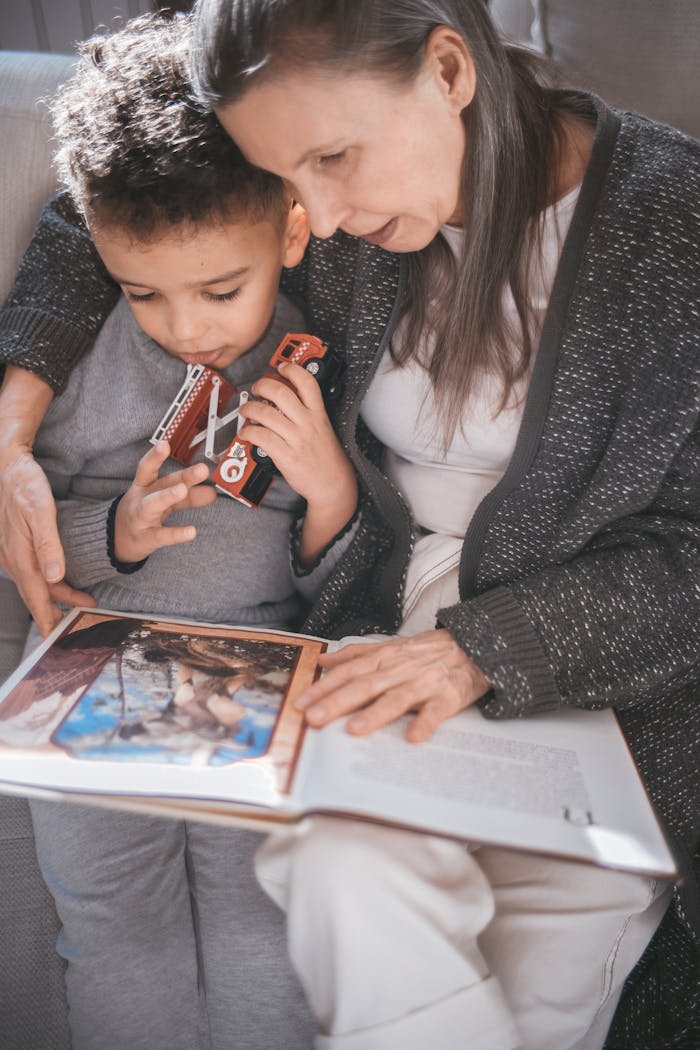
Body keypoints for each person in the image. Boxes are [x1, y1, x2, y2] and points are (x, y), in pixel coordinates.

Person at [0, 0, 697, 1047]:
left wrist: (483, 650)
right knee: (338, 864)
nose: (317, 219)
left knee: (542, 977)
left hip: (600, 678)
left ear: (450, 70)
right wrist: (11, 425)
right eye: (290, 180)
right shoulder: (310, 170)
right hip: (370, 629)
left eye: (334, 159)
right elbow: (100, 203)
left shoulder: (673, 226)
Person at [9, 11, 359, 1049]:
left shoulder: (319, 354)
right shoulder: (81, 364)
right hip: (88, 670)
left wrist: (329, 489)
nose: (187, 326)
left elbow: (343, 578)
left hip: (254, 667)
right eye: (142, 292)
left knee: (263, 923)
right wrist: (112, 533)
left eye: (220, 290)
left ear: (290, 233)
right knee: (114, 929)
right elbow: (30, 543)